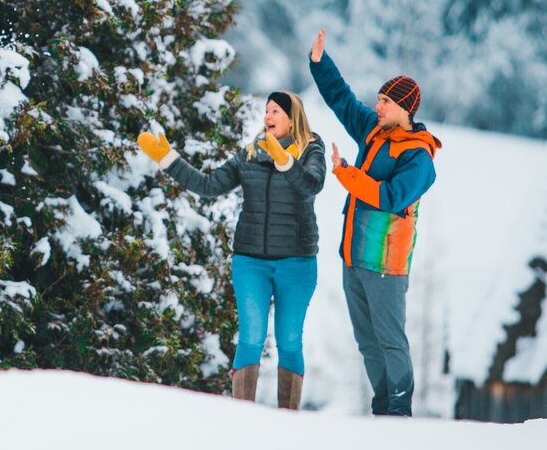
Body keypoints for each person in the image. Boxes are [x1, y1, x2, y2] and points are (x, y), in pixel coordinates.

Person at [137, 91, 326, 409]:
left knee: (289, 342)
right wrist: (169, 159)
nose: (268, 116)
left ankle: (290, 421)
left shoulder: (311, 150)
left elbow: (312, 184)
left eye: (276, 111)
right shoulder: (250, 154)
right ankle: (242, 418)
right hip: (250, 261)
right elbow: (209, 185)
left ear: (293, 117)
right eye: (266, 110)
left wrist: (286, 162)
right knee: (251, 338)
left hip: (297, 263)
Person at [309, 29, 442, 416]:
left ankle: (399, 410)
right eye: (379, 100)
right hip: (353, 257)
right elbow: (342, 100)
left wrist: (347, 175)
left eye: (385, 101)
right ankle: (381, 408)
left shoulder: (419, 157)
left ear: (404, 108)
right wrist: (320, 62)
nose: (378, 106)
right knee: (367, 343)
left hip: (386, 264)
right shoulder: (374, 131)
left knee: (390, 341)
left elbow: (391, 197)